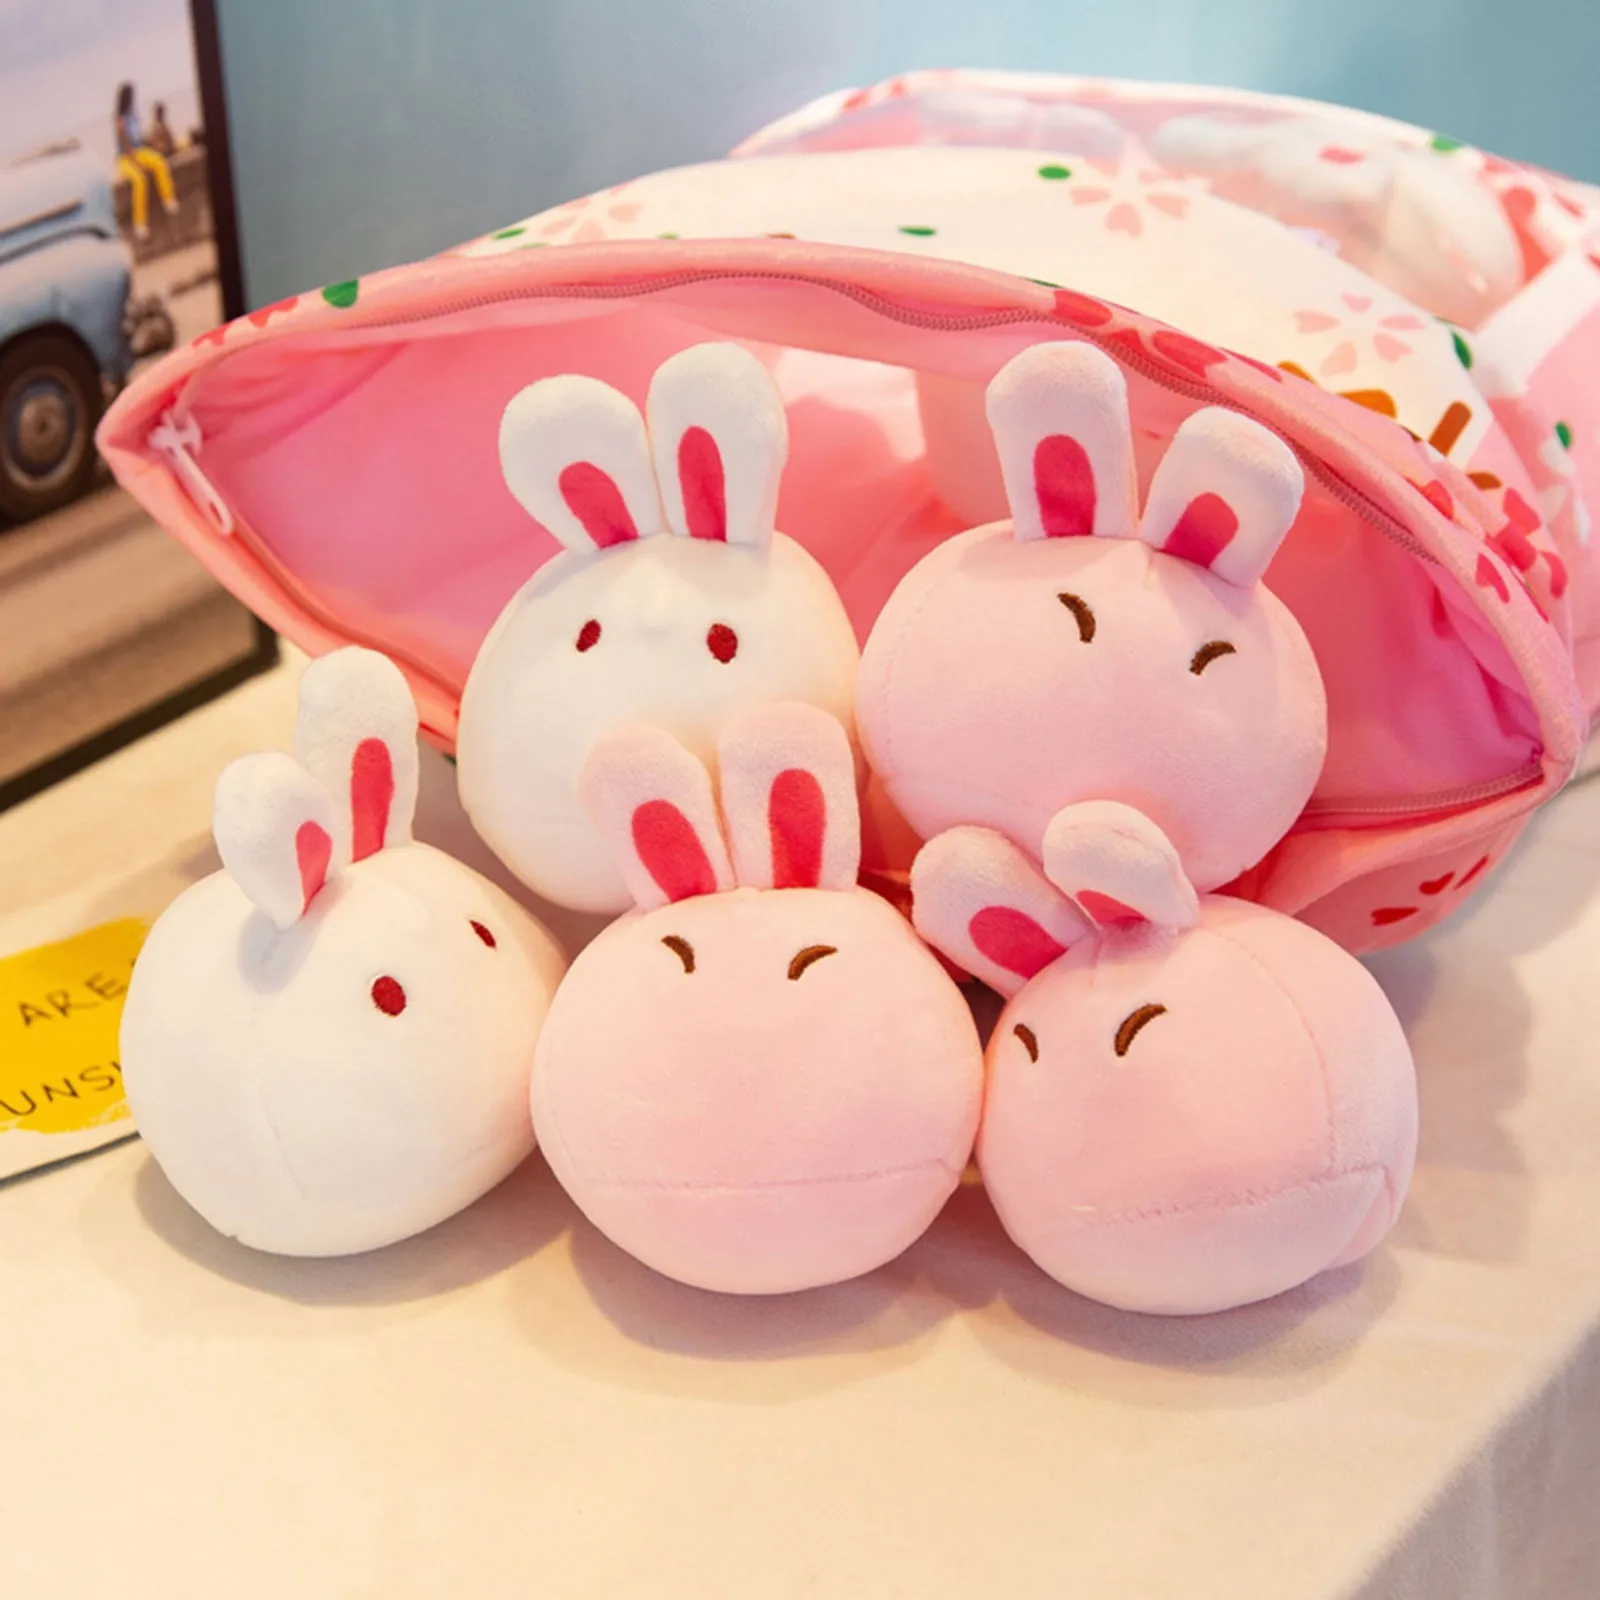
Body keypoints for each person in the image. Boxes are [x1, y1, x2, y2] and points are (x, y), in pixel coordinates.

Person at [114, 82, 178, 241]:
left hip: (139, 151)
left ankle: (168, 199)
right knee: (139, 180)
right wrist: (135, 161)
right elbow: (124, 142)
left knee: (159, 162)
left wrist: (151, 145)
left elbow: (139, 138)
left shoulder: (134, 114)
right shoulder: (120, 119)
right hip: (124, 158)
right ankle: (139, 224)